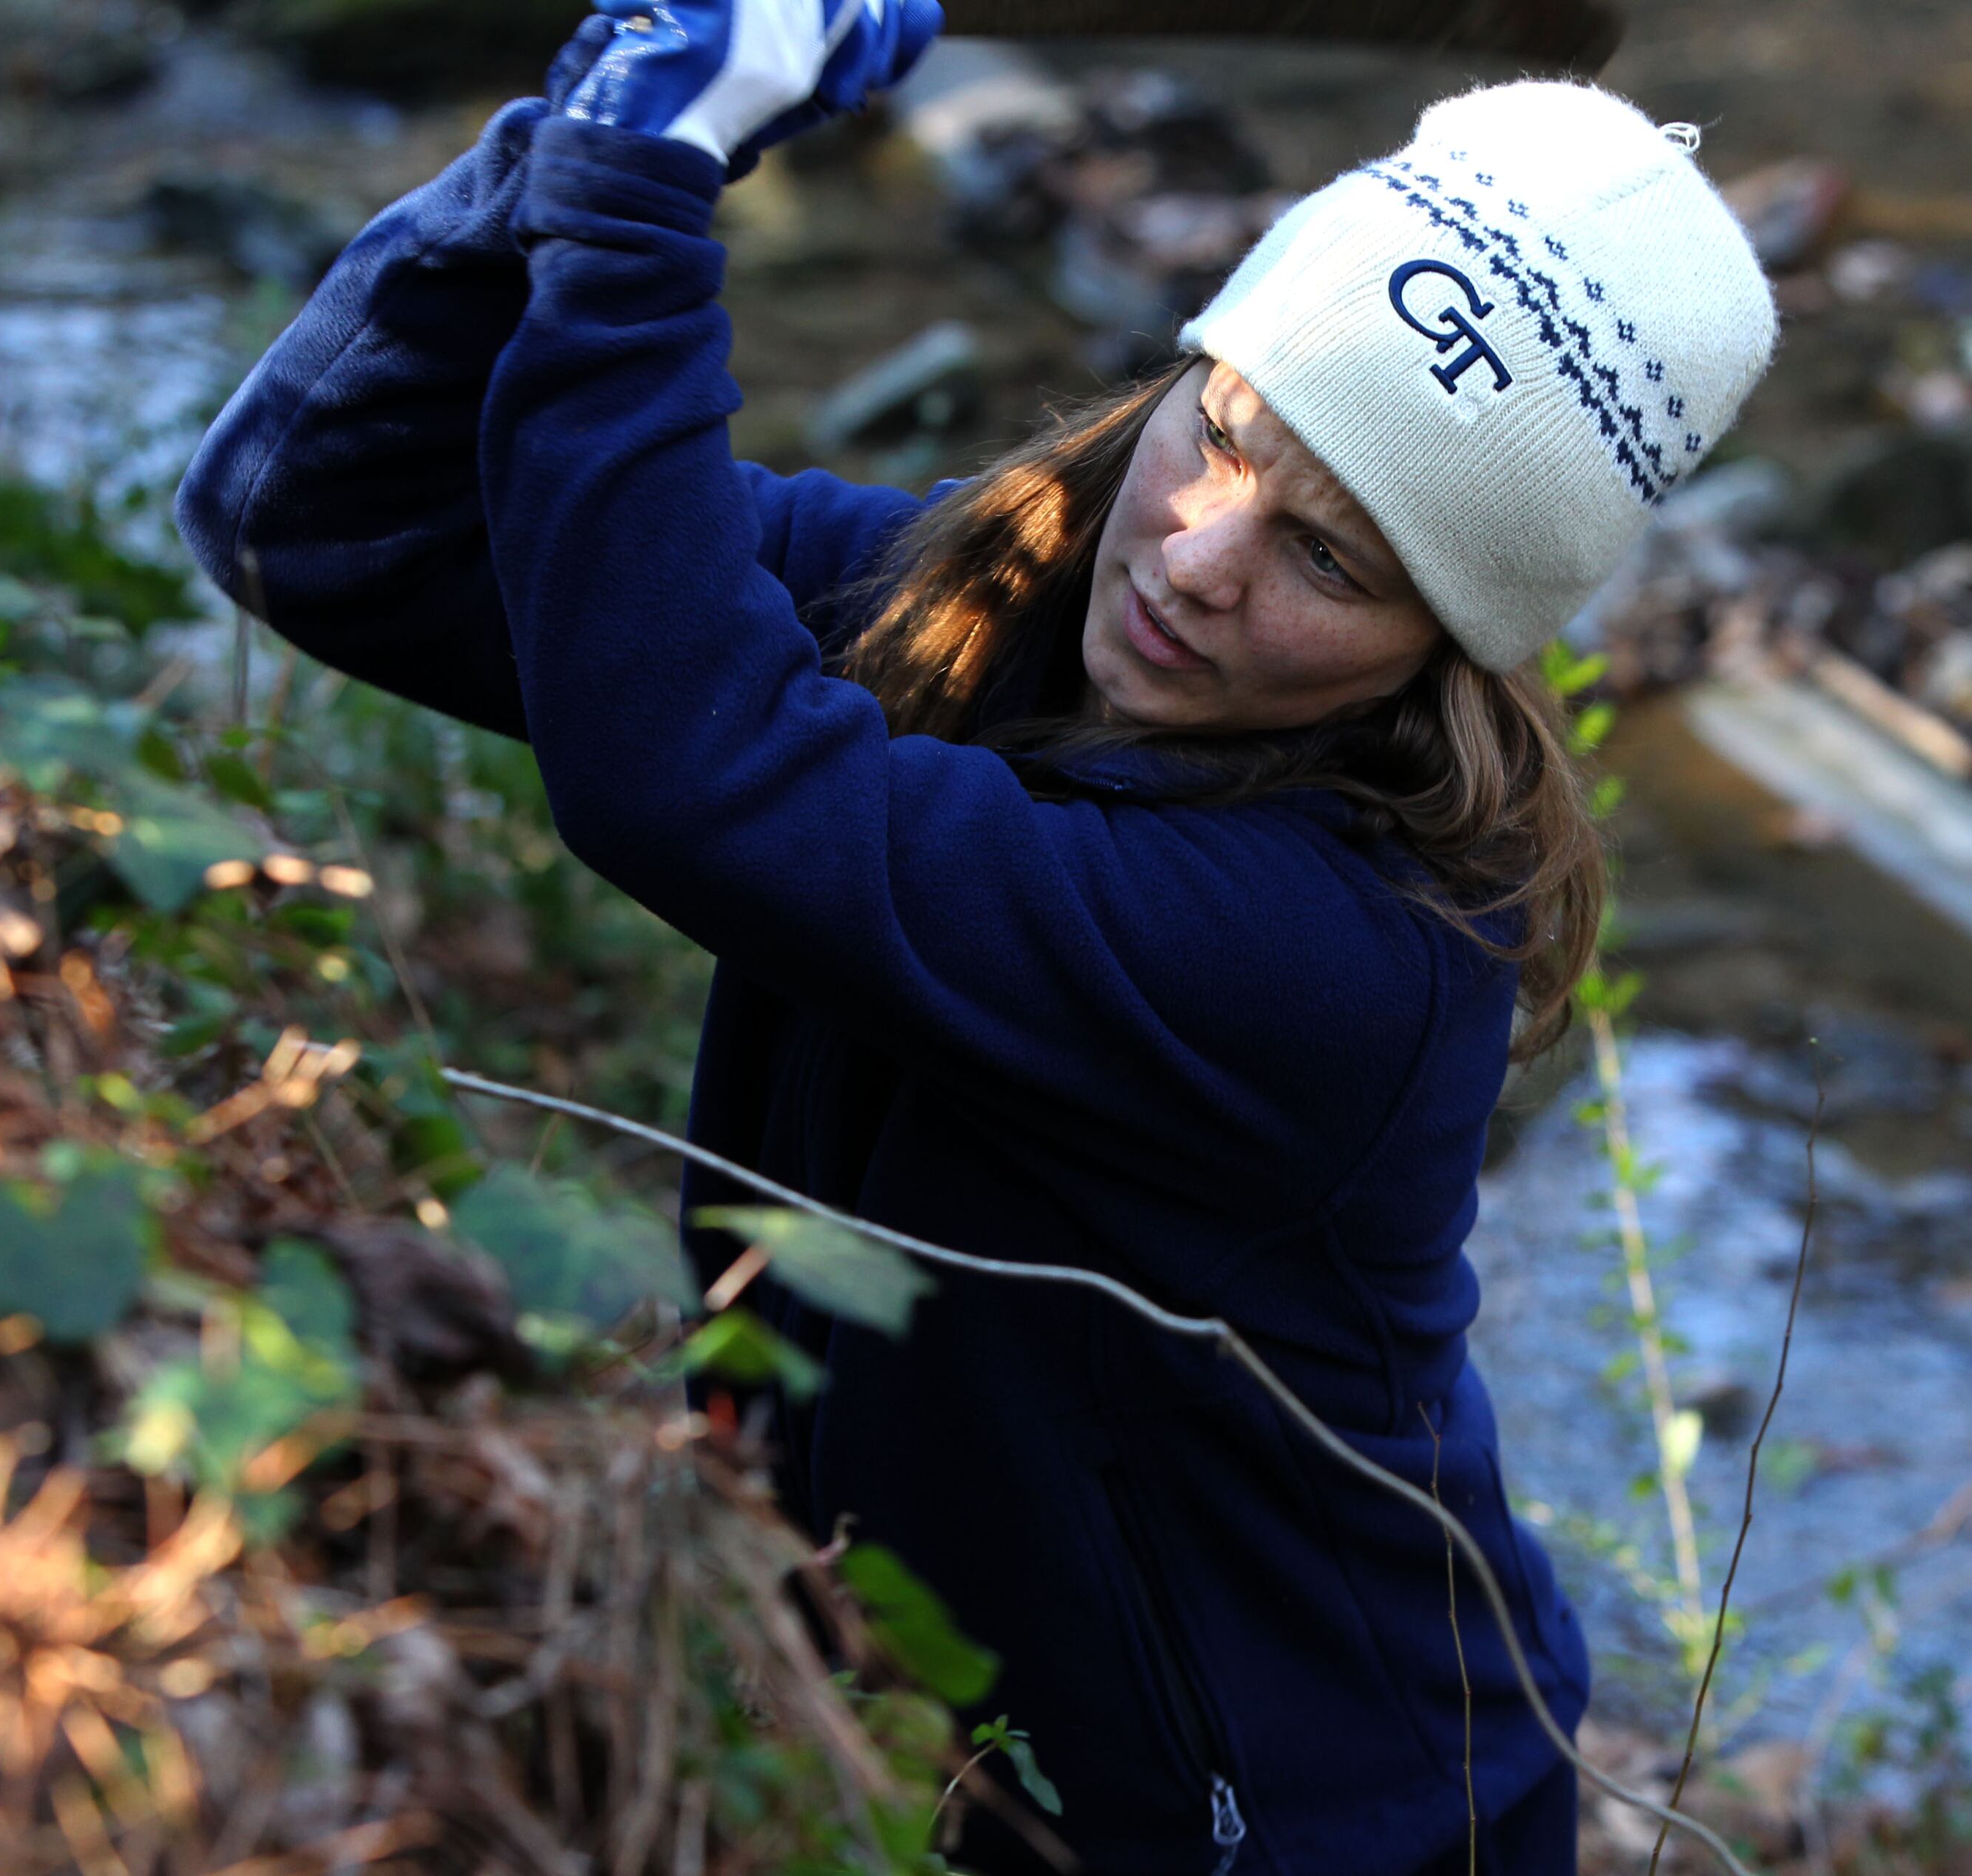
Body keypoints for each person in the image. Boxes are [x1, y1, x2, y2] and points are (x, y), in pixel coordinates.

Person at [175, 2, 1775, 1868]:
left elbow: (692, 774)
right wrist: (572, 144)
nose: (1193, 552)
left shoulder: (1345, 950)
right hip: (920, 1745)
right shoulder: (980, 601)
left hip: (1291, 1823)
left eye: (1330, 560)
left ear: (1458, 631)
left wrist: (644, 199)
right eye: (1226, 428)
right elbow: (316, 515)